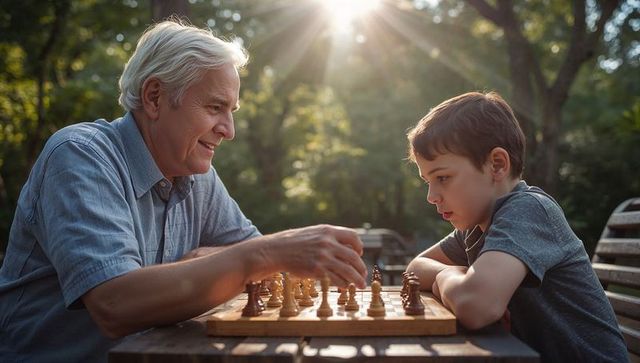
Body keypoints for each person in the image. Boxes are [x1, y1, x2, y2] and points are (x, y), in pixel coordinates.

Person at [0, 20, 367, 362]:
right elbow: (114, 305)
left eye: (231, 110)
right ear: (155, 97)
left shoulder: (196, 174)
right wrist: (259, 254)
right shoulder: (81, 155)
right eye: (215, 107)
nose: (229, 129)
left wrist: (218, 260)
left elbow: (266, 275)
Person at [405, 92, 628, 362]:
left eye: (443, 177)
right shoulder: (475, 227)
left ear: (497, 165)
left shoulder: (528, 210)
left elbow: (476, 306)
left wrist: (446, 277)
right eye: (427, 181)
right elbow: (416, 268)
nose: (431, 196)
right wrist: (457, 276)